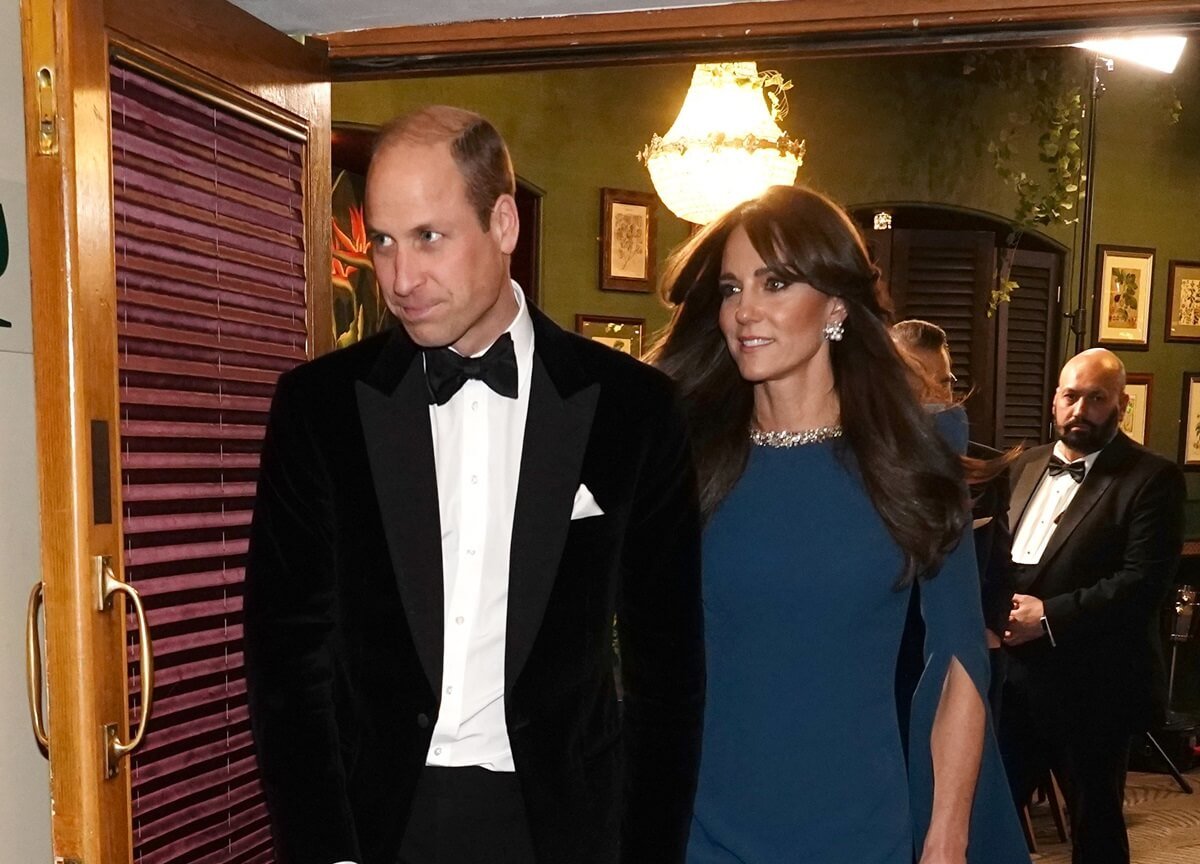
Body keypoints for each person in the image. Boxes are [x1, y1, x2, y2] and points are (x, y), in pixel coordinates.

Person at [243, 106, 705, 864]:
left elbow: (668, 672)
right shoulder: (319, 409)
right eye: (385, 242)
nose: (400, 278)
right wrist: (324, 848)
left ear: (503, 224)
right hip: (377, 824)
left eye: (429, 237)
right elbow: (287, 657)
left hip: (562, 827)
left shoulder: (632, 409)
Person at [652, 185, 1027, 864]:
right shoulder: (683, 453)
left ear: (835, 305)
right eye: (733, 288)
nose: (745, 311)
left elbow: (959, 663)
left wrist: (946, 838)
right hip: (699, 826)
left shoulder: (913, 451)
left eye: (775, 283)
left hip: (859, 827)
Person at [1000, 348, 1186, 864]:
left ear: (1121, 405)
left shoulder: (1152, 478)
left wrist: (1049, 617)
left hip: (1093, 686)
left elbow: (1141, 583)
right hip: (1010, 679)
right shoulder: (1024, 464)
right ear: (1054, 400)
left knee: (1096, 830)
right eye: (1071, 396)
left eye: (1096, 398)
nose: (1080, 409)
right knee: (985, 818)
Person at [891, 319, 1016, 719]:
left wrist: (989, 640)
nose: (933, 398)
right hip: (881, 662)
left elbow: (997, 566)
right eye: (917, 384)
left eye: (943, 383)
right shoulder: (856, 464)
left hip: (959, 661)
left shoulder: (984, 469)